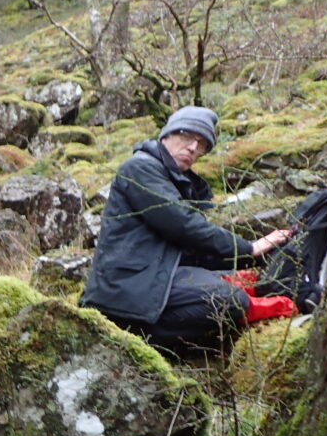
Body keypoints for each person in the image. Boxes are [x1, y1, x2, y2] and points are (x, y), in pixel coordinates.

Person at [79, 106, 292, 348]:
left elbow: (190, 250)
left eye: (201, 144)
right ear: (166, 135)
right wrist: (249, 248)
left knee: (233, 283)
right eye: (187, 136)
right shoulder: (139, 168)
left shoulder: (177, 181)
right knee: (231, 300)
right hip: (125, 290)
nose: (193, 147)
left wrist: (251, 259)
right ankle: (136, 336)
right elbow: (183, 225)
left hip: (152, 278)